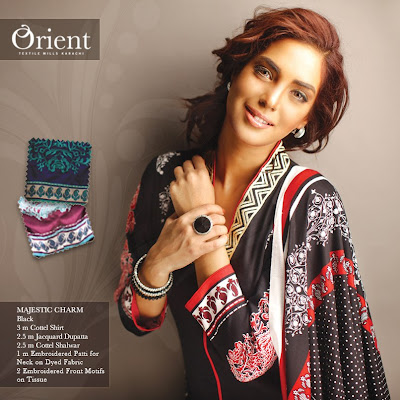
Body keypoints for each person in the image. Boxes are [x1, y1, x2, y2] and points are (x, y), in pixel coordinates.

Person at [114, 7, 390, 400]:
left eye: (298, 94)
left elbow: (249, 362)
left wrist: (201, 224)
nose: (270, 100)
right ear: (237, 70)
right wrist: (160, 259)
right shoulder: (165, 176)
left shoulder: (309, 203)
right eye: (265, 71)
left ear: (304, 118)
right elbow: (136, 318)